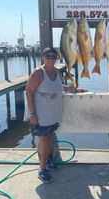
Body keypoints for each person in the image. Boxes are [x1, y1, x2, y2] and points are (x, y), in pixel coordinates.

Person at [26, 47, 85, 184]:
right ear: (43, 58)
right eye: (48, 56)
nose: (51, 59)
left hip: (54, 114)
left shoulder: (57, 72)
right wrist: (32, 114)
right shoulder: (38, 72)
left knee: (51, 137)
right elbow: (28, 92)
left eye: (53, 56)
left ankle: (46, 162)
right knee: (44, 139)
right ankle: (42, 170)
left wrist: (74, 89)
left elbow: (60, 86)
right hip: (41, 115)